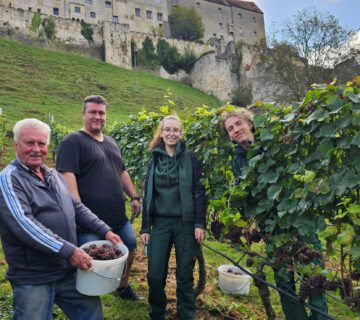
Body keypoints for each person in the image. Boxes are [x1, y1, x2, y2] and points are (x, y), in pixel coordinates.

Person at [0, 119, 121, 320]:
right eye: (29, 143)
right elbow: (24, 224)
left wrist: (105, 230)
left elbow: (76, 206)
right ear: (16, 145)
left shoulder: (52, 174)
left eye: (42, 143)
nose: (36, 149)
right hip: (34, 277)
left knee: (92, 315)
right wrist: (70, 251)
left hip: (66, 270)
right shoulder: (9, 179)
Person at [220, 108, 329, 320]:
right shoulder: (237, 160)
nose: (235, 130)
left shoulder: (275, 142)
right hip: (272, 229)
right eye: (230, 129)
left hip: (300, 222)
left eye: (238, 124)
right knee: (284, 284)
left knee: (315, 279)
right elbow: (247, 197)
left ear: (250, 123)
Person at [56, 95, 143, 301]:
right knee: (89, 261)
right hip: (89, 223)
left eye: (101, 113)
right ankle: (85, 299)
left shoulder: (112, 142)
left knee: (130, 247)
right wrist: (79, 216)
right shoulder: (72, 142)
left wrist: (134, 196)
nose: (98, 116)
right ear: (83, 114)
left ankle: (122, 287)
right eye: (93, 112)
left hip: (118, 219)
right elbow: (69, 183)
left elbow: (121, 171)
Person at [140, 115, 207, 320]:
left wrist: (199, 223)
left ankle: (186, 315)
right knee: (155, 274)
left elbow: (199, 191)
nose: (171, 133)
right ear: (161, 132)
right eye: (167, 129)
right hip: (160, 224)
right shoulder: (154, 159)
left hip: (185, 224)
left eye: (175, 130)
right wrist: (145, 227)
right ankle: (157, 314)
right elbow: (148, 195)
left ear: (181, 133)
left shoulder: (190, 158)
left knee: (185, 275)